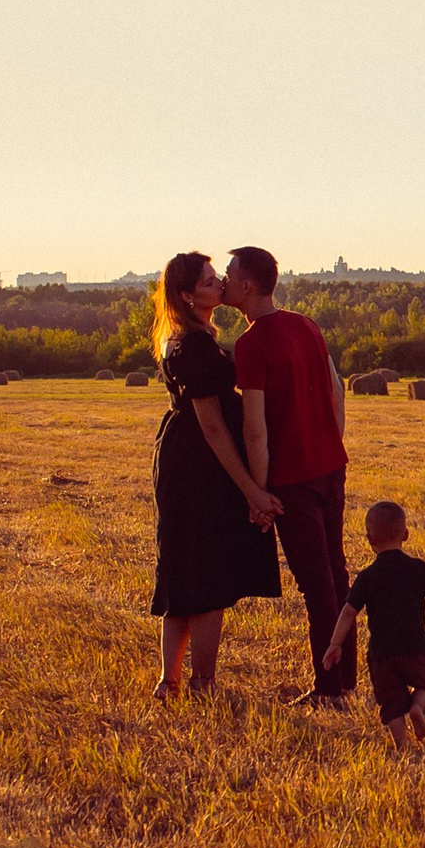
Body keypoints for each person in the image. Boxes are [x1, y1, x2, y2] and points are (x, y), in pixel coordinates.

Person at [222, 246, 356, 705]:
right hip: (330, 468)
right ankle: (349, 679)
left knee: (317, 585)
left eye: (228, 274)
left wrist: (257, 492)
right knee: (336, 575)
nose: (221, 281)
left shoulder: (251, 343)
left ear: (247, 286)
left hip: (293, 481)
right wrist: (331, 443)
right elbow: (338, 393)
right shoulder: (306, 324)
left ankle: (329, 689)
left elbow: (254, 429)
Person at [148, 252, 282, 697]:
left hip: (182, 459)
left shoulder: (184, 337)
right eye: (209, 282)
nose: (219, 285)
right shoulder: (197, 347)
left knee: (182, 565)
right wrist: (251, 491)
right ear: (187, 296)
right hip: (200, 466)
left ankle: (170, 681)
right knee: (206, 576)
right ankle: (201, 683)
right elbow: (212, 426)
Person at [323, 499, 425, 749]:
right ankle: (417, 707)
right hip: (414, 647)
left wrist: (335, 644)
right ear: (406, 534)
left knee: (391, 703)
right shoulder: (418, 568)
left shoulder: (367, 576)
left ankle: (402, 745)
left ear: (369, 539)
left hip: (381, 655)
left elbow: (349, 612)